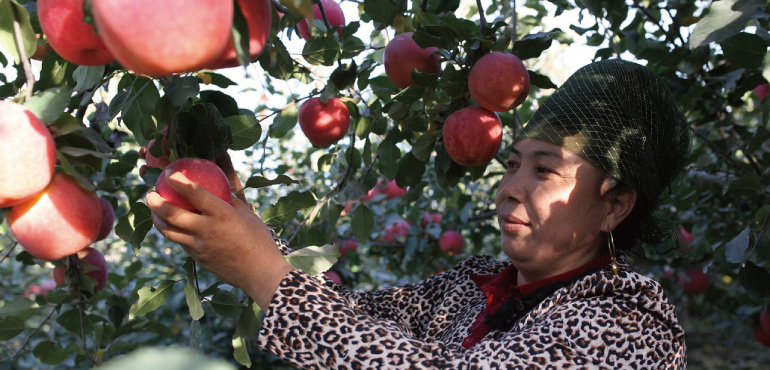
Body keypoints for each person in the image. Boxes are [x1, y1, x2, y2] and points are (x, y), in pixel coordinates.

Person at [146, 59, 690, 368]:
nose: (509, 190)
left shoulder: (632, 328)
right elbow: (352, 319)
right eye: (513, 164)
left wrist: (262, 273)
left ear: (614, 205)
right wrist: (241, 226)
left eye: (545, 172)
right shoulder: (472, 284)